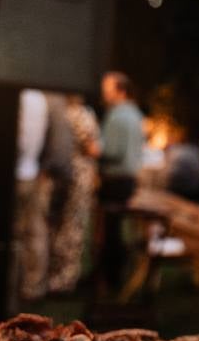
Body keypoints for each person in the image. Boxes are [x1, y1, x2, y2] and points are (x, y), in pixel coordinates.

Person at [46, 94, 100, 295]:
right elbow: (93, 149)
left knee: (58, 225)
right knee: (73, 226)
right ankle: (65, 279)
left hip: (61, 174)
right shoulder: (81, 114)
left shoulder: (60, 112)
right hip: (79, 176)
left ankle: (55, 276)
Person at [95, 72, 144, 291]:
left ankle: (110, 277)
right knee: (118, 229)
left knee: (110, 230)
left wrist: (93, 149)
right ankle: (116, 275)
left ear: (120, 90)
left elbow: (112, 150)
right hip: (129, 180)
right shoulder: (135, 114)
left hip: (114, 179)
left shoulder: (116, 116)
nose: (104, 93)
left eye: (108, 88)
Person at [13, 89, 51, 301]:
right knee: (34, 231)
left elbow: (20, 140)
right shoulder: (40, 98)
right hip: (32, 170)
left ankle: (15, 286)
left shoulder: (23, 97)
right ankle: (33, 286)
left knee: (18, 232)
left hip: (19, 172)